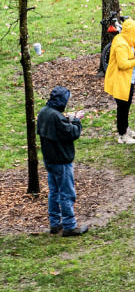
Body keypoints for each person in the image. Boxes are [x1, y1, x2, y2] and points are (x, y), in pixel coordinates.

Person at [37, 86, 87, 236]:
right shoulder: (55, 117)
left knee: (54, 192)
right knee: (66, 193)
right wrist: (77, 121)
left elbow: (58, 127)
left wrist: (67, 118)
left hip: (49, 160)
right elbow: (72, 133)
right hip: (61, 161)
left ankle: (55, 223)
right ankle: (69, 226)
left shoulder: (44, 112)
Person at [104, 18, 135, 145]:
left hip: (127, 80)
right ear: (130, 32)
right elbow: (122, 64)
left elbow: (129, 53)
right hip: (121, 81)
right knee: (123, 108)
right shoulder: (121, 44)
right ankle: (122, 135)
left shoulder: (124, 40)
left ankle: (126, 129)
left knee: (126, 107)